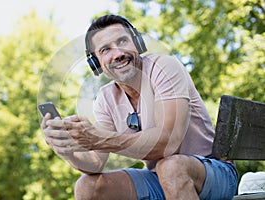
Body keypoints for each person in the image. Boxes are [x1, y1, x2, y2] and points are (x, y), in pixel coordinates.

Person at [41, 14, 238, 200]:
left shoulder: (165, 67)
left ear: (137, 43)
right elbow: (95, 163)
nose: (117, 54)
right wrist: (67, 150)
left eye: (122, 42)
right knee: (87, 186)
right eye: (105, 50)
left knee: (170, 167)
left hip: (212, 172)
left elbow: (168, 143)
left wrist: (98, 139)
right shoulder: (105, 98)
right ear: (96, 63)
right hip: (159, 178)